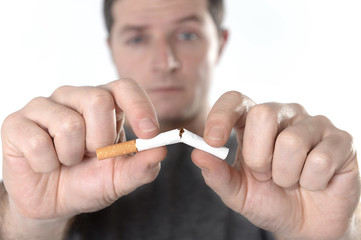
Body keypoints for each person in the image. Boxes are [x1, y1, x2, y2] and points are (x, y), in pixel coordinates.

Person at [0, 0, 360, 239]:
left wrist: (329, 235)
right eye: (138, 38)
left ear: (219, 42)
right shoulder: (67, 163)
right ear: (112, 47)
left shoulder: (282, 172)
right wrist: (28, 223)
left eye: (187, 35)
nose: (165, 61)